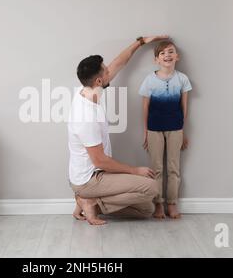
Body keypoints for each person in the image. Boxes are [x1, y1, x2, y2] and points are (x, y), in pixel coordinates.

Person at [68, 35, 167, 225]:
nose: (109, 71)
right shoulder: (85, 117)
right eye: (105, 71)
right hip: (90, 179)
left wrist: (141, 42)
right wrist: (134, 170)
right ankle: (88, 199)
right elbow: (100, 161)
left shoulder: (89, 89)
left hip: (97, 172)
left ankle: (94, 204)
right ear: (98, 80)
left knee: (147, 209)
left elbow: (118, 63)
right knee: (152, 188)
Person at [139, 40, 192, 219]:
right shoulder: (149, 80)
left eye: (170, 52)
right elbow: (145, 107)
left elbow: (184, 107)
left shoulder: (182, 79)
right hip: (154, 129)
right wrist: (145, 131)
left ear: (177, 57)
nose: (167, 55)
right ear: (156, 60)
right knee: (157, 168)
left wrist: (183, 130)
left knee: (173, 168)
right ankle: (158, 203)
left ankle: (172, 203)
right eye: (162, 53)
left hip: (175, 128)